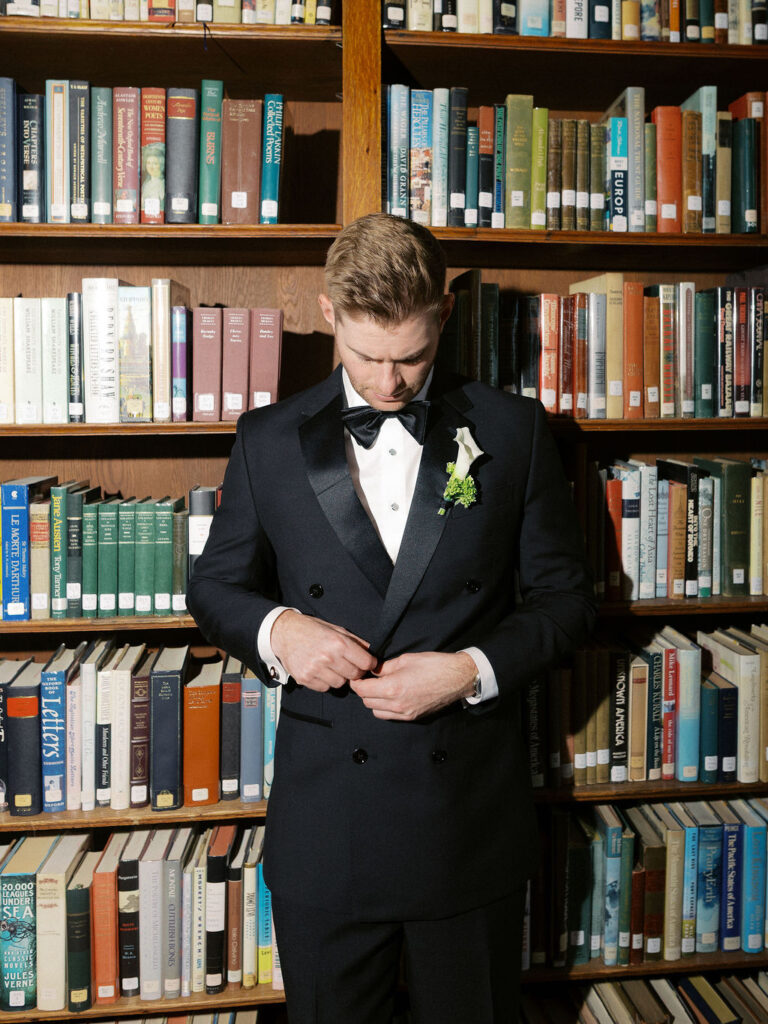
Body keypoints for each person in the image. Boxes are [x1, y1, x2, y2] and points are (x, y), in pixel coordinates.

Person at [186, 213, 597, 1024]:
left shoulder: (511, 432)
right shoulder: (266, 439)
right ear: (328, 314)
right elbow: (215, 587)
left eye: (411, 356)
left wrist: (469, 671)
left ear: (444, 317)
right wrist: (281, 633)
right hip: (327, 825)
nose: (390, 383)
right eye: (368, 356)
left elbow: (567, 602)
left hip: (466, 824)